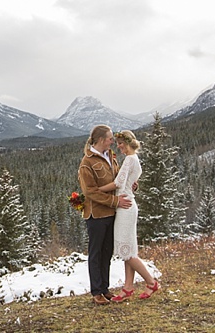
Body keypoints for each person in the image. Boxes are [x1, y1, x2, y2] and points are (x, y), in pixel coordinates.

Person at [99, 130, 161, 301]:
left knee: (125, 250)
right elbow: (131, 182)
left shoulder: (129, 159)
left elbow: (118, 183)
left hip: (125, 206)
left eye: (120, 143)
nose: (118, 146)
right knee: (129, 248)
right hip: (129, 204)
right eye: (117, 143)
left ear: (128, 142)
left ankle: (151, 282)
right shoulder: (136, 160)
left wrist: (96, 191)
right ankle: (128, 287)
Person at [78, 125, 132, 305]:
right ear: (101, 140)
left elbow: (117, 178)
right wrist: (116, 202)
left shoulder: (110, 156)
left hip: (111, 213)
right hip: (96, 215)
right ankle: (96, 292)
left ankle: (105, 289)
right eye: (110, 139)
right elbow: (90, 192)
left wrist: (130, 184)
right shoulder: (87, 163)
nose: (113, 141)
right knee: (96, 253)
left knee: (107, 252)